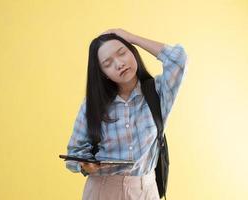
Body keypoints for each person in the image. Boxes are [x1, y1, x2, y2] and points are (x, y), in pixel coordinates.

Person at [65, 28, 188, 200]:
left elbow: (178, 59)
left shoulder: (158, 93)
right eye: (108, 64)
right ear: (104, 74)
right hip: (103, 190)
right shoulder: (93, 104)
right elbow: (75, 154)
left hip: (145, 190)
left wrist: (132, 38)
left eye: (122, 52)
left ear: (133, 52)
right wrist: (86, 166)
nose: (119, 64)